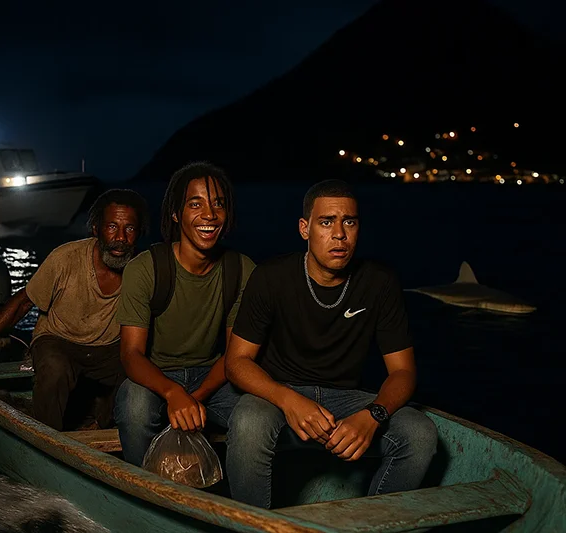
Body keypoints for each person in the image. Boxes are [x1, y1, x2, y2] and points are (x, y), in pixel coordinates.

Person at [224, 179, 438, 509]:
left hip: (347, 399)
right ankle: (251, 527)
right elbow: (236, 362)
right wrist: (287, 399)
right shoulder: (272, 277)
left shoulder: (380, 282)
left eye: (348, 222)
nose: (339, 234)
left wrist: (373, 415)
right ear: (304, 228)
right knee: (249, 422)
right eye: (326, 222)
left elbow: (403, 372)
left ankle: (373, 528)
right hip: (280, 393)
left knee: (421, 434)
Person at [0, 188, 150, 431]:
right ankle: (48, 439)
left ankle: (99, 427)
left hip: (106, 350)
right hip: (58, 340)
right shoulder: (65, 259)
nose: (120, 237)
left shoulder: (142, 269)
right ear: (96, 229)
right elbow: (22, 303)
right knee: (55, 367)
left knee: (138, 363)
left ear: (139, 232)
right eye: (112, 227)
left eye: (129, 229)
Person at [113, 161, 256, 466]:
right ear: (177, 214)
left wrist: (195, 397)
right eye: (196, 204)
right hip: (156, 375)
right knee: (134, 407)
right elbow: (131, 354)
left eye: (218, 204)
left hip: (214, 376)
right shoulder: (145, 268)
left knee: (257, 412)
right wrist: (172, 392)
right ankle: (144, 495)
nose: (209, 215)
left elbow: (235, 356)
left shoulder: (240, 270)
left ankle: (239, 506)